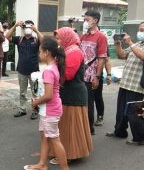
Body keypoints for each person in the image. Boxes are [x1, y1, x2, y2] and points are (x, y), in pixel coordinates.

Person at [106, 21, 144, 145]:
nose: (139, 32)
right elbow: (122, 55)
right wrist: (117, 44)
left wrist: (130, 43)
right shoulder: (137, 44)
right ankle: (119, 132)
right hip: (125, 83)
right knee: (121, 110)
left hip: (136, 85)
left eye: (142, 30)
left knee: (135, 113)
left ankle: (141, 137)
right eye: (139, 30)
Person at [49, 27, 93, 163]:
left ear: (66, 37)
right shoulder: (67, 50)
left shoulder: (73, 52)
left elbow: (67, 75)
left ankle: (67, 155)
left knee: (70, 127)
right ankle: (65, 152)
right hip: (69, 93)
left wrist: (51, 73)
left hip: (73, 95)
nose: (57, 41)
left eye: (58, 38)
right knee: (67, 126)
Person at [23, 36, 68, 170]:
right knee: (44, 137)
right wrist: (38, 101)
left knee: (54, 139)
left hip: (50, 110)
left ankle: (65, 168)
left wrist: (36, 102)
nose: (39, 54)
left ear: (47, 52)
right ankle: (42, 164)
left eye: (40, 51)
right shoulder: (53, 67)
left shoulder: (48, 70)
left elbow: (48, 95)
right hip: (49, 109)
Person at [5, 20, 44, 120]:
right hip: (22, 70)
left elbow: (44, 42)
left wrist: (36, 30)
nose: (27, 29)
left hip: (34, 71)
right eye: (26, 27)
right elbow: (7, 37)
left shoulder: (36, 40)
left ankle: (35, 110)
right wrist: (15, 25)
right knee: (22, 92)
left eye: (29, 27)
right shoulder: (20, 39)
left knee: (35, 92)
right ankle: (22, 109)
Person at [80, 10, 108, 134]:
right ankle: (82, 125)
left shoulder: (101, 37)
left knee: (89, 102)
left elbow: (102, 58)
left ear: (95, 21)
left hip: (91, 75)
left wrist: (97, 76)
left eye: (87, 19)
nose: (85, 22)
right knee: (82, 101)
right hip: (81, 74)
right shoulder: (84, 36)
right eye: (84, 20)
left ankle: (89, 128)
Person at [94, 50, 112, 126]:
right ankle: (87, 118)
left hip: (97, 75)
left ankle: (100, 116)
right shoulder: (82, 40)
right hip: (84, 75)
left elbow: (107, 60)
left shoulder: (101, 41)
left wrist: (109, 74)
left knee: (97, 96)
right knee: (86, 98)